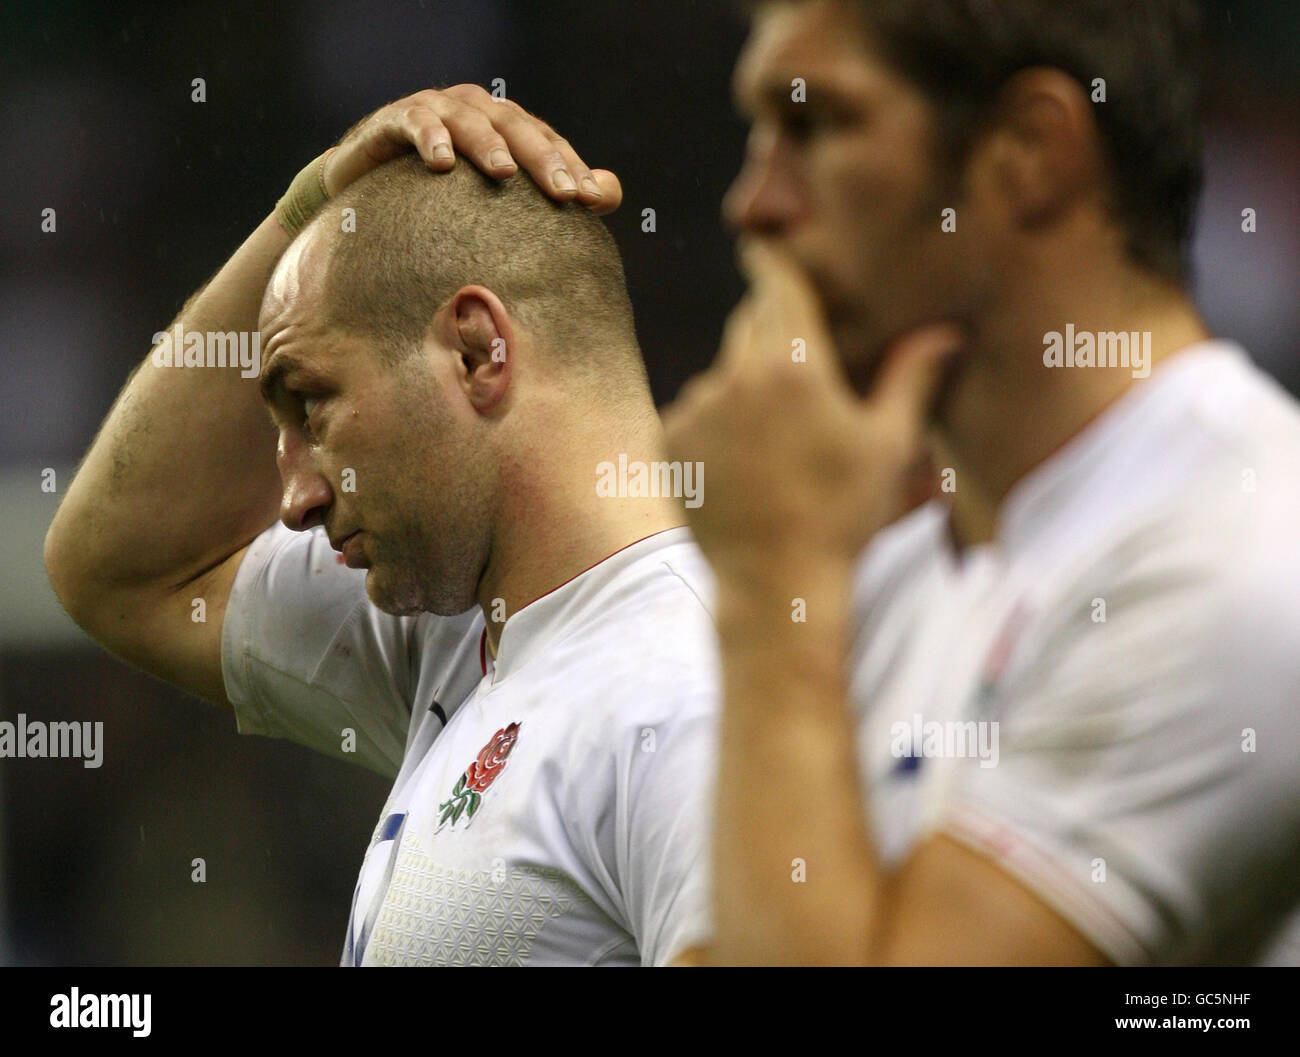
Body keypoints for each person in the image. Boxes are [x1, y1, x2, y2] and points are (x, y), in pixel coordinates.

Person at [665, 0, 1300, 964]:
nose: (754, 203)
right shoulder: (892, 579)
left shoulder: (1245, 553)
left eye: (816, 125)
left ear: (1032, 152)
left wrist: (771, 584)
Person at [44, 86, 714, 967]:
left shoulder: (693, 696)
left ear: (477, 353)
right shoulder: (455, 635)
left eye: (311, 405)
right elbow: (115, 568)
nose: (295, 500)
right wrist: (311, 200)